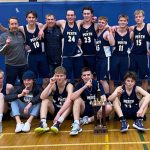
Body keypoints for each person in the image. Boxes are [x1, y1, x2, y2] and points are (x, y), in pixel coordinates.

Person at [70, 67, 112, 136]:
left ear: (92, 76)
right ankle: (76, 124)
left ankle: (87, 120)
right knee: (77, 100)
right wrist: (85, 87)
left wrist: (100, 105)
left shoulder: (97, 84)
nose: (86, 77)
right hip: (85, 108)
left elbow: (103, 98)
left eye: (88, 75)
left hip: (95, 109)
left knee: (109, 107)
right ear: (82, 77)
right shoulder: (79, 85)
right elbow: (72, 97)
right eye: (84, 75)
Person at [34, 66, 73, 133]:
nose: (59, 78)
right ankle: (43, 123)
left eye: (61, 76)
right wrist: (50, 84)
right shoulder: (53, 85)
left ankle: (58, 123)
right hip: (55, 109)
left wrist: (59, 114)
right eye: (57, 76)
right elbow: (42, 97)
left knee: (71, 102)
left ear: (65, 76)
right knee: (45, 100)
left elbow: (69, 101)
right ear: (54, 76)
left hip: (65, 111)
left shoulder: (69, 85)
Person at [20, 10, 50, 88]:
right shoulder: (22, 28)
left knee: (46, 78)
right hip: (31, 56)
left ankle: (44, 94)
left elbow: (47, 23)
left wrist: (42, 29)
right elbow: (11, 29)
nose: (31, 19)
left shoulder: (39, 25)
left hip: (42, 55)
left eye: (33, 17)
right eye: (29, 17)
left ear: (36, 19)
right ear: (26, 19)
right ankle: (34, 94)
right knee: (32, 78)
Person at [0, 17, 27, 85]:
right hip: (11, 66)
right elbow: (1, 51)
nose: (14, 26)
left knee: (25, 84)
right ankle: (10, 96)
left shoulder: (22, 33)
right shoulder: (3, 36)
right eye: (12, 24)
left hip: (23, 65)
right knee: (9, 86)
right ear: (9, 25)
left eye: (15, 24)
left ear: (18, 24)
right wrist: (6, 44)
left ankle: (25, 96)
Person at [109, 14, 132, 93]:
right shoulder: (114, 31)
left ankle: (123, 96)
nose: (122, 22)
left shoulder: (130, 32)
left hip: (125, 57)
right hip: (115, 56)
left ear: (127, 22)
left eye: (124, 21)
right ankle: (111, 97)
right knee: (112, 78)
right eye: (121, 20)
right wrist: (112, 28)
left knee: (124, 78)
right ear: (118, 22)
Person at [130, 10, 150, 91]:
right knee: (131, 77)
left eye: (140, 17)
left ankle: (145, 97)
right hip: (134, 55)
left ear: (143, 17)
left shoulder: (148, 26)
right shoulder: (132, 28)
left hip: (143, 55)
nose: (138, 18)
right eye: (136, 17)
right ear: (134, 18)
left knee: (144, 78)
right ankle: (132, 95)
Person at [95, 16, 115, 96]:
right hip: (99, 58)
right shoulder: (97, 32)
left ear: (106, 24)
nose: (100, 24)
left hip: (105, 58)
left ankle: (108, 98)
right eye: (99, 22)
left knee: (103, 80)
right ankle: (103, 96)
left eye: (103, 23)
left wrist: (109, 30)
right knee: (99, 80)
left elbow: (112, 43)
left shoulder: (106, 33)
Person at [80, 6, 97, 74]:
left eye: (88, 13)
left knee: (93, 75)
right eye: (85, 13)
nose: (86, 15)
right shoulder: (79, 25)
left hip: (93, 55)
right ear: (82, 14)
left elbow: (106, 26)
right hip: (81, 56)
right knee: (81, 76)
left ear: (91, 14)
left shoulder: (95, 25)